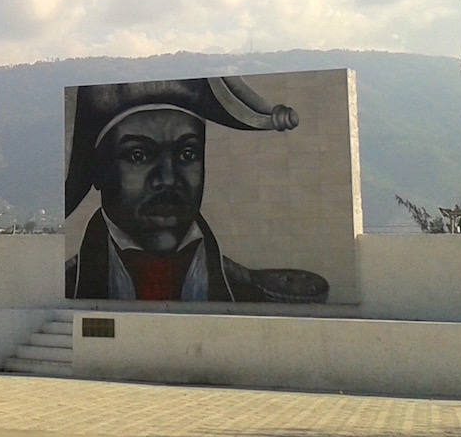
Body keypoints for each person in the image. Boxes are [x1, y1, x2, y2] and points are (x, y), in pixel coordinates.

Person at [64, 76, 328, 302]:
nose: (167, 179)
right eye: (139, 156)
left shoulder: (251, 291)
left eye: (187, 153)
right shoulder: (67, 284)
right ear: (98, 169)